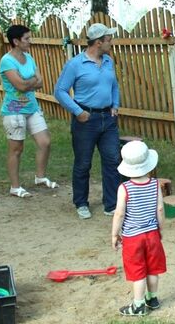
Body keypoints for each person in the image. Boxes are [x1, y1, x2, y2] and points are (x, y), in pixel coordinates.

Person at [55, 23, 121, 219]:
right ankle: (81, 202)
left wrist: (115, 105)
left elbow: (114, 86)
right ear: (98, 42)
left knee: (113, 160)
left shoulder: (108, 61)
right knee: (83, 163)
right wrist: (77, 111)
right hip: (86, 119)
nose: (111, 42)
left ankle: (111, 204)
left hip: (107, 119)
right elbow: (59, 91)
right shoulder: (75, 64)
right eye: (109, 40)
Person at [0, 24, 58, 198]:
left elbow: (40, 82)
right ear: (16, 41)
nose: (30, 41)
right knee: (16, 149)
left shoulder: (29, 57)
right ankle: (15, 187)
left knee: (45, 142)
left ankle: (40, 177)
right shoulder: (7, 61)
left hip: (31, 107)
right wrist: (30, 82)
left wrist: (28, 83)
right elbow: (20, 85)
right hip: (14, 109)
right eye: (26, 38)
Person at [112, 140, 166, 316]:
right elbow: (159, 209)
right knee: (152, 269)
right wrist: (161, 230)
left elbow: (119, 214)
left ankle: (138, 305)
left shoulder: (124, 188)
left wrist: (114, 234)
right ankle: (152, 298)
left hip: (133, 238)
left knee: (138, 272)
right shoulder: (155, 184)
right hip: (152, 234)